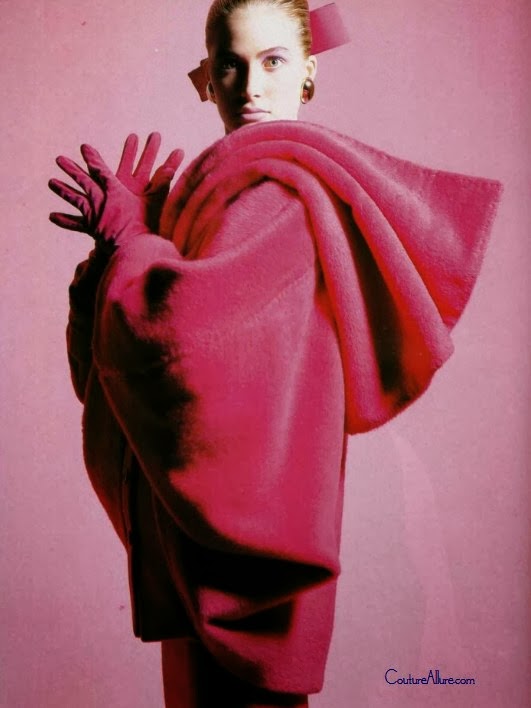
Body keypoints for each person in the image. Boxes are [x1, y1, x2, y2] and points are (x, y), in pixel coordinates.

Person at [48, 1, 502, 706]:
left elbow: (178, 347)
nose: (251, 86)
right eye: (230, 65)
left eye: (273, 61)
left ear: (308, 74)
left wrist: (133, 246)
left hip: (243, 552)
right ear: (207, 80)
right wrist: (119, 254)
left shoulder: (278, 195)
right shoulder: (224, 192)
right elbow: (118, 378)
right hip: (208, 542)